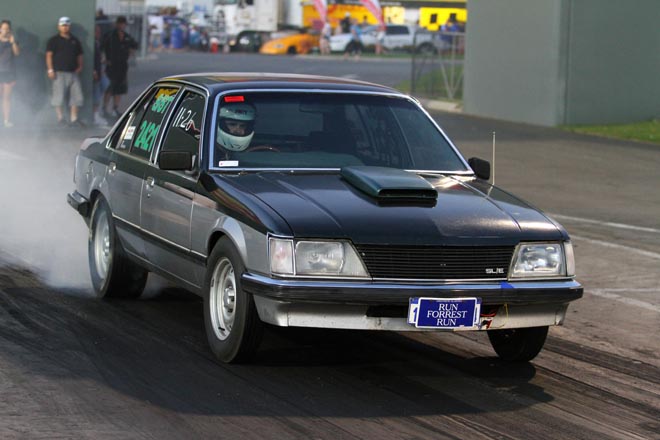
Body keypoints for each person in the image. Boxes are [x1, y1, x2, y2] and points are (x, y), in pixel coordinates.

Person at [46, 16, 84, 126]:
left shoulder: (75, 40)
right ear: (59, 27)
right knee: (59, 97)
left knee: (77, 96)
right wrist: (50, 70)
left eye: (67, 25)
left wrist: (80, 66)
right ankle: (61, 119)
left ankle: (74, 119)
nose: (65, 27)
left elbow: (80, 55)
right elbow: (49, 55)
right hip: (58, 73)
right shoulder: (53, 40)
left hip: (73, 72)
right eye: (63, 25)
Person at [101, 16, 138, 120]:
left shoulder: (127, 37)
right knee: (109, 88)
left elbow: (135, 45)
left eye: (123, 24)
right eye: (120, 23)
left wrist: (131, 51)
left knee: (119, 89)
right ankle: (104, 108)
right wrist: (104, 58)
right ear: (116, 24)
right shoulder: (109, 36)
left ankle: (115, 108)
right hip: (111, 66)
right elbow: (101, 47)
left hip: (122, 66)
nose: (121, 25)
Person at [0, 20, 20, 128]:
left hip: (9, 72)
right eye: (4, 28)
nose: (5, 30)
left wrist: (12, 42)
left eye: (7, 28)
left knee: (6, 98)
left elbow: (17, 53)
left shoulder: (13, 41)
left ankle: (6, 120)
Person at [92, 24, 108, 126]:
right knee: (96, 93)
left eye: (99, 32)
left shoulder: (97, 43)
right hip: (95, 72)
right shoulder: (92, 43)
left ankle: (98, 112)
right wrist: (94, 71)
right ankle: (95, 114)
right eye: (96, 31)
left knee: (105, 85)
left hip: (99, 70)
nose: (98, 33)